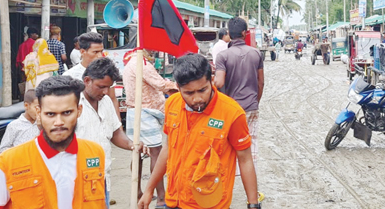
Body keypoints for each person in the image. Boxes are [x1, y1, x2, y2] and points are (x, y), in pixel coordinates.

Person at [138, 54, 260, 209]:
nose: (197, 99)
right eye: (189, 93)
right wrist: (149, 189)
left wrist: (253, 204)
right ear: (178, 87)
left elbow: (245, 160)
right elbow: (168, 149)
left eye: (202, 90)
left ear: (212, 81)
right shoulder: (172, 105)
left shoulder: (232, 113)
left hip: (210, 202)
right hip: (174, 200)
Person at [0, 76, 107, 209]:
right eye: (51, 114)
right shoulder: (7, 163)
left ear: (79, 111)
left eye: (67, 113)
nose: (58, 122)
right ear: (39, 113)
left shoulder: (95, 153)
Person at [76, 57, 143, 207]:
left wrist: (132, 145)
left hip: (102, 177)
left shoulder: (105, 102)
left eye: (109, 87)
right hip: (78, 179)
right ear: (87, 80)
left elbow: (115, 132)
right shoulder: (72, 104)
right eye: (101, 86)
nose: (106, 92)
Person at [122, 49, 177, 207]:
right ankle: (161, 196)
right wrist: (180, 87)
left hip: (135, 111)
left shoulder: (131, 63)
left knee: (137, 153)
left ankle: (138, 191)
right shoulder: (143, 64)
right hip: (146, 112)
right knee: (156, 153)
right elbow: (161, 84)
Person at [214, 17, 265, 168]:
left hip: (231, 109)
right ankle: (250, 179)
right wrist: (256, 101)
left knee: (229, 143)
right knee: (251, 145)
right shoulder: (256, 53)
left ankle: (231, 175)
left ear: (229, 33)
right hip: (251, 106)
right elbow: (260, 82)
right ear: (244, 33)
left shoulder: (223, 56)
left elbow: (219, 83)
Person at [0, 90, 40, 154]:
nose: (39, 111)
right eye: (36, 107)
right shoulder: (14, 125)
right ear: (26, 106)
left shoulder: (43, 124)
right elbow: (2, 150)